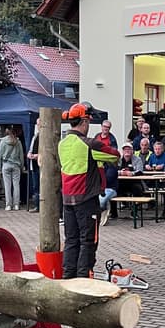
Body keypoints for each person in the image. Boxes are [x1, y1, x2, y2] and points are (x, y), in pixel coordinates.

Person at [58, 103, 118, 278]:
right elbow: (115, 155)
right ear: (84, 122)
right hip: (86, 199)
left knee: (71, 239)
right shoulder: (89, 144)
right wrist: (99, 162)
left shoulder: (62, 144)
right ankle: (84, 278)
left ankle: (68, 277)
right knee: (88, 240)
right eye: (88, 122)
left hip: (67, 199)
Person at [0, 126, 25, 211]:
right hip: (16, 165)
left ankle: (8, 205)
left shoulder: (3, 141)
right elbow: (21, 156)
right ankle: (16, 205)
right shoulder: (18, 142)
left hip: (6, 165)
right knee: (16, 185)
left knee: (7, 186)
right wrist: (21, 167)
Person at [26, 118, 41, 211]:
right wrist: (29, 154)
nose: (38, 126)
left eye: (40, 124)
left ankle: (42, 206)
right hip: (34, 165)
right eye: (37, 124)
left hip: (42, 166)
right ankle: (37, 206)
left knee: (42, 187)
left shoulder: (46, 137)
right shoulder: (35, 136)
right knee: (35, 187)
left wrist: (38, 155)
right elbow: (31, 149)